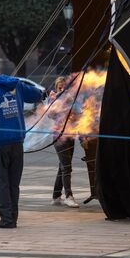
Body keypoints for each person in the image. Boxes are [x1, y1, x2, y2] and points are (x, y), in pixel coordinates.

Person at [0, 62, 46, 229]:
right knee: (14, 183)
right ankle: (12, 217)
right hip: (17, 141)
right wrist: (46, 94)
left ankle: (7, 219)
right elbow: (37, 95)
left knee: (1, 182)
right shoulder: (16, 83)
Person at [49, 77, 79, 208]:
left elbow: (78, 115)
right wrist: (59, 101)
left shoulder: (71, 99)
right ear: (56, 88)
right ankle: (68, 196)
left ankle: (56, 196)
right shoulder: (53, 98)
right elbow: (51, 114)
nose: (61, 89)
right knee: (67, 167)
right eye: (59, 87)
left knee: (63, 166)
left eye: (64, 87)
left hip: (70, 135)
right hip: (58, 136)